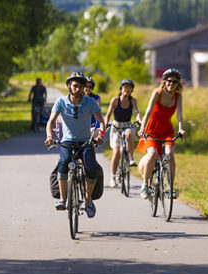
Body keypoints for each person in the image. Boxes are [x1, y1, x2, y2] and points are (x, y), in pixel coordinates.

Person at [44, 72, 106, 218]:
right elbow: (51, 122)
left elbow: (101, 121)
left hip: (86, 141)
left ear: (84, 88)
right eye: (75, 86)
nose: (78, 89)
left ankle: (88, 200)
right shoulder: (60, 102)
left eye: (81, 86)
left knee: (91, 169)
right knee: (64, 163)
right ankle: (63, 199)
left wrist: (101, 135)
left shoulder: (90, 102)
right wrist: (49, 136)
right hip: (67, 141)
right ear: (69, 86)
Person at [136, 68, 186, 199]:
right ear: (165, 81)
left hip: (167, 131)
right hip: (152, 130)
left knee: (169, 154)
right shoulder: (157, 93)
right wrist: (142, 129)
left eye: (175, 82)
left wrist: (181, 128)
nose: (172, 84)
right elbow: (147, 112)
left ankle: (170, 188)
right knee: (152, 154)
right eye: (169, 81)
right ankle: (145, 185)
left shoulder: (178, 96)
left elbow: (179, 115)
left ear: (178, 84)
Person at [105, 78, 142, 188]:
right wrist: (106, 124)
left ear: (132, 90)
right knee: (116, 152)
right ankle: (113, 177)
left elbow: (136, 112)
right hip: (117, 126)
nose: (127, 90)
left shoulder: (133, 101)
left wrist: (139, 121)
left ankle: (130, 158)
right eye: (125, 87)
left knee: (129, 134)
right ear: (121, 89)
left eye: (129, 88)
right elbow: (108, 114)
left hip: (127, 124)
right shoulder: (115, 100)